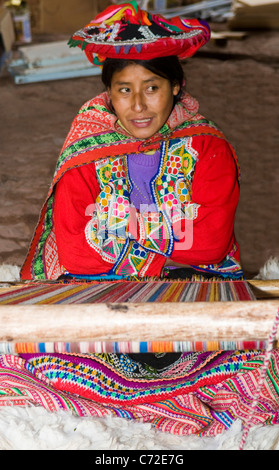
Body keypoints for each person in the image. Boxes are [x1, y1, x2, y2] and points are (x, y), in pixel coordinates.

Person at [20, 1, 243, 282]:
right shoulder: (87, 147)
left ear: (175, 85)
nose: (138, 106)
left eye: (151, 88)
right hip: (118, 287)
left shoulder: (207, 146)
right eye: (125, 90)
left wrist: (118, 225)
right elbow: (76, 255)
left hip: (191, 282)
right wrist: (171, 250)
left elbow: (211, 244)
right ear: (109, 92)